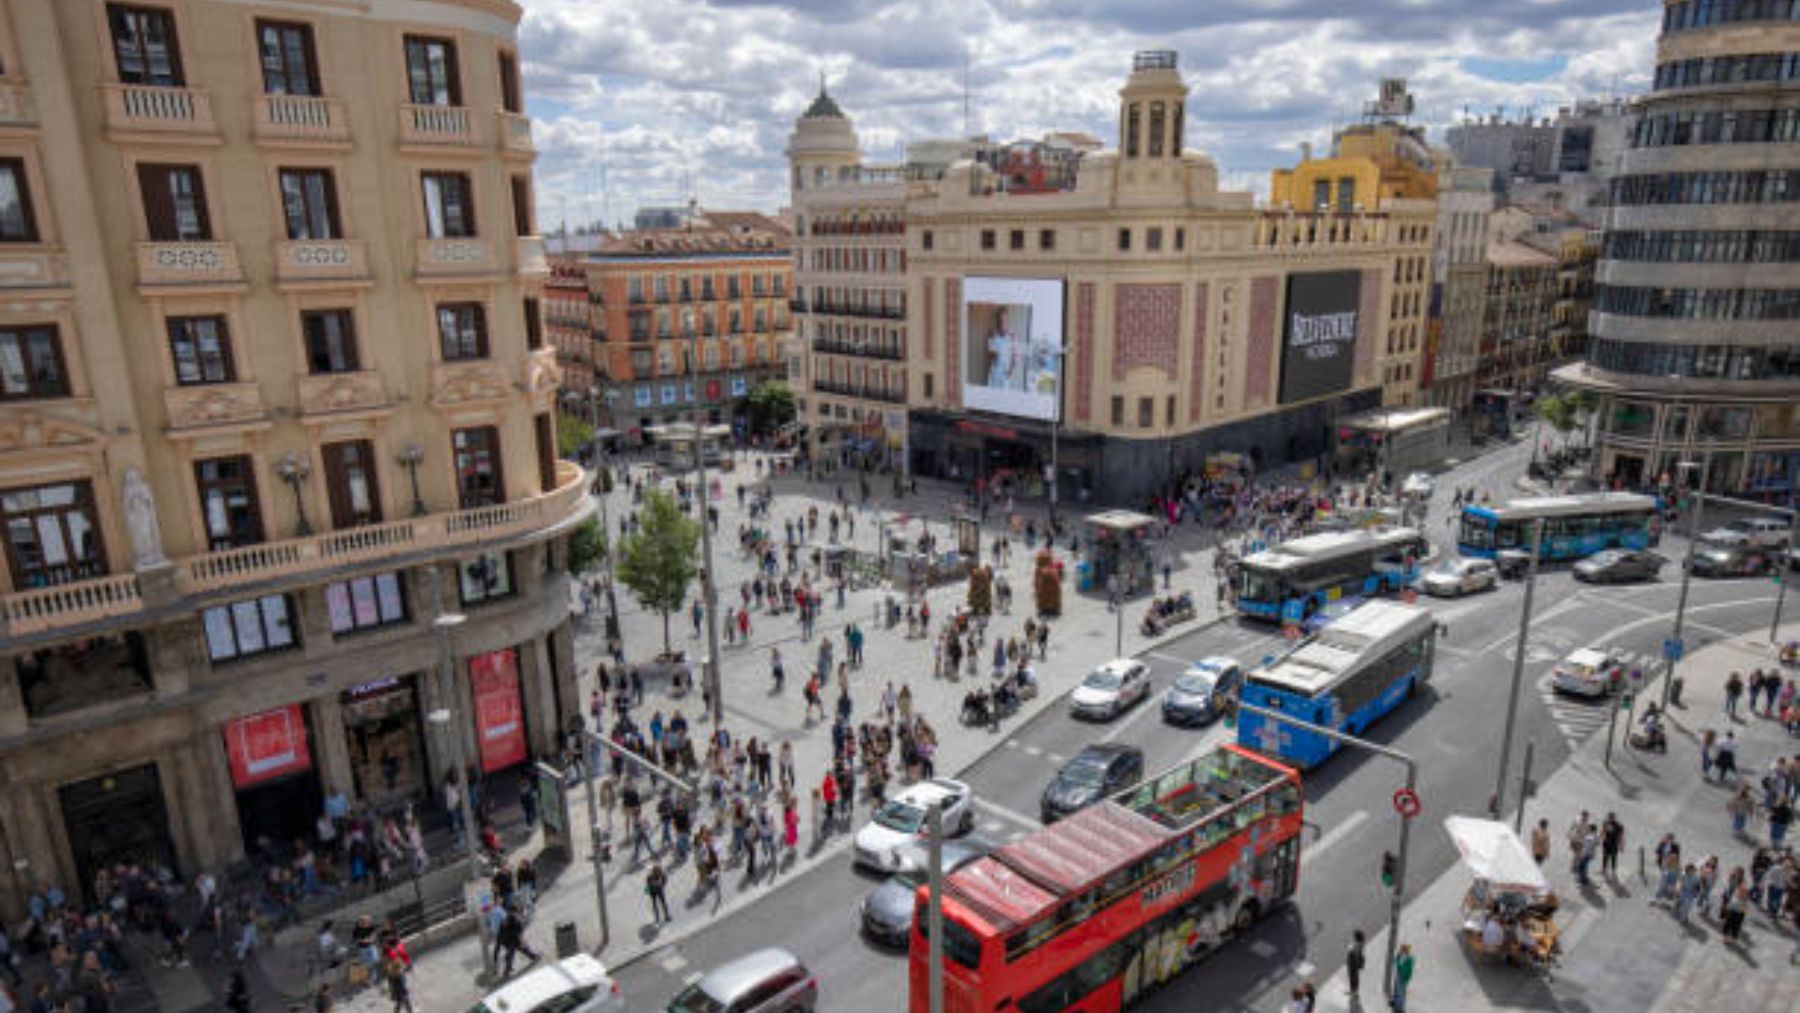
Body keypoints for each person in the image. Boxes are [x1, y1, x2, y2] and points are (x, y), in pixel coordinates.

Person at [496, 904, 539, 977]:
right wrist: (524, 943)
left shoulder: (504, 920)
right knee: (521, 949)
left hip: (504, 941)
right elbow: (520, 936)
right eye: (517, 912)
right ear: (515, 912)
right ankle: (533, 957)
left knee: (512, 952)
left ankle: (533, 956)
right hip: (512, 941)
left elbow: (500, 933)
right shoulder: (517, 922)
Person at [1390, 943, 1414, 1011]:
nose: (1401, 951)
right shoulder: (1400, 956)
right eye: (1401, 949)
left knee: (1401, 992)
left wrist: (1406, 978)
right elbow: (1396, 962)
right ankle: (1396, 1003)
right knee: (1397, 990)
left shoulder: (1408, 959)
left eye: (1402, 950)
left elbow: (1408, 971)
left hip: (1403, 977)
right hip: (1399, 975)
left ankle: (1399, 1007)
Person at [1345, 929, 1366, 997]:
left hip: (1353, 963)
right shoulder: (1359, 944)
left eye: (1354, 936)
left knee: (1353, 977)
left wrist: (1354, 963)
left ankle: (1354, 991)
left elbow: (1355, 953)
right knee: (1354, 977)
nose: (1353, 937)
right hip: (1354, 963)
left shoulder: (1358, 945)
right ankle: (1353, 991)